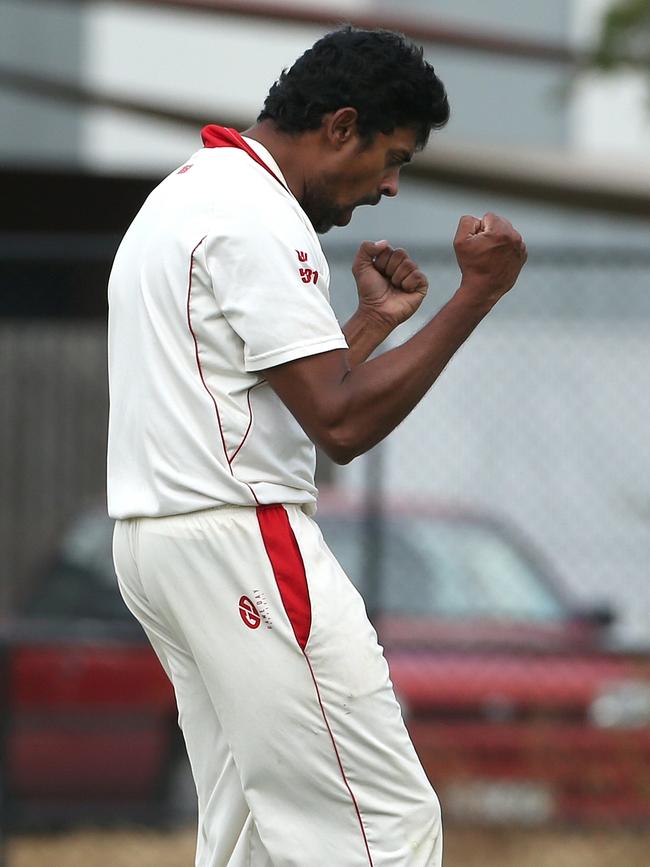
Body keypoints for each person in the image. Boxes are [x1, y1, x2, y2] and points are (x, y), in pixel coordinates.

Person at [107, 26, 526, 867]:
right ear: (341, 126)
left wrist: (368, 324)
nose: (391, 187)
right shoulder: (259, 216)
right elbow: (339, 423)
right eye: (391, 156)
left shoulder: (189, 191)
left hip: (160, 545)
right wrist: (476, 295)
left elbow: (259, 395)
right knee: (382, 828)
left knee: (254, 834)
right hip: (241, 542)